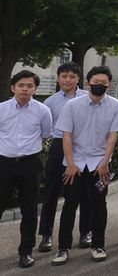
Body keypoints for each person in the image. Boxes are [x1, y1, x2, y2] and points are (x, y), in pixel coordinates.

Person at [52, 65, 118, 266]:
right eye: (96, 82)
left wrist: (105, 162)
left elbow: (112, 137)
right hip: (74, 163)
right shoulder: (72, 105)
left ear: (109, 84)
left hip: (98, 164)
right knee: (69, 205)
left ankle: (98, 245)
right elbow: (66, 136)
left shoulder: (116, 106)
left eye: (103, 83)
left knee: (99, 205)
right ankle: (63, 248)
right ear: (87, 83)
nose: (99, 85)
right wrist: (70, 164)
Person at [0, 70, 52, 268]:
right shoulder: (1, 109)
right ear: (13, 87)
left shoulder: (42, 111)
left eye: (30, 86)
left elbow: (45, 134)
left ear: (35, 89)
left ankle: (26, 252)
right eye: (21, 85)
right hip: (3, 163)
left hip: (30, 164)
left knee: (29, 210)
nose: (25, 89)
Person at [38, 62, 90, 253]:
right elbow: (45, 129)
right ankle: (46, 235)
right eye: (64, 76)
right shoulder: (50, 102)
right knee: (51, 192)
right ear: (58, 78)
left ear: (78, 79)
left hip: (82, 146)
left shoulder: (87, 97)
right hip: (59, 146)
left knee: (84, 192)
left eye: (72, 76)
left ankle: (85, 232)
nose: (68, 80)